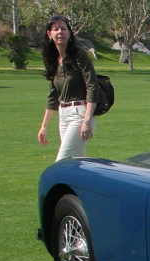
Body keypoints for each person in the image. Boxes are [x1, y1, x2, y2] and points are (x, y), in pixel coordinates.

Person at [37, 15, 100, 162]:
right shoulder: (53, 60)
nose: (60, 32)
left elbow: (92, 85)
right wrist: (44, 127)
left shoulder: (79, 55)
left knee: (62, 162)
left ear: (69, 33)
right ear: (49, 34)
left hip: (80, 114)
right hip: (63, 115)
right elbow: (53, 96)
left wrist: (87, 120)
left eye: (64, 29)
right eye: (56, 29)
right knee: (75, 162)